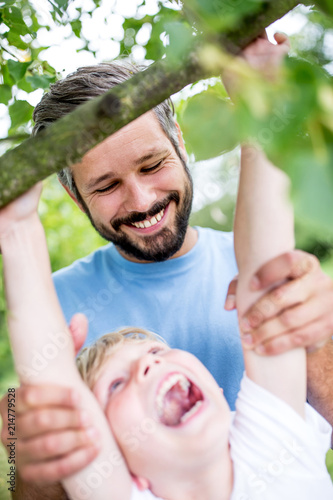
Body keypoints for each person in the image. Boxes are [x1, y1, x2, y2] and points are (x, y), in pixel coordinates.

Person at [1, 33, 333, 499]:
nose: (141, 200)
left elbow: (265, 265)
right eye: (106, 186)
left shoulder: (270, 438)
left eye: (152, 164)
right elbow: (24, 468)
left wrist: (318, 341)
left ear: (178, 140)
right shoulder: (52, 307)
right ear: (76, 199)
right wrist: (28, 457)